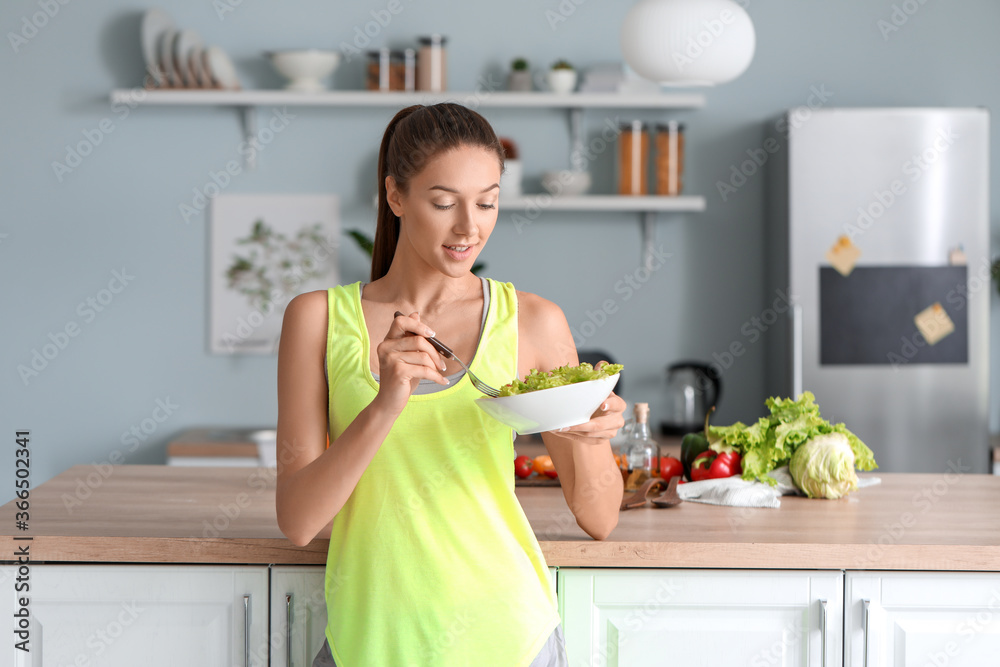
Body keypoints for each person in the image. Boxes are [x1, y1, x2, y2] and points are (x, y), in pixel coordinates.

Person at [275, 102, 626, 667]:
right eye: (444, 203)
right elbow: (297, 520)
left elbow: (600, 517)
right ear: (395, 197)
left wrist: (588, 431)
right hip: (370, 641)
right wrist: (385, 405)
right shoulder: (317, 319)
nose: (470, 227)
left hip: (508, 635)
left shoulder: (533, 321)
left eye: (487, 202)